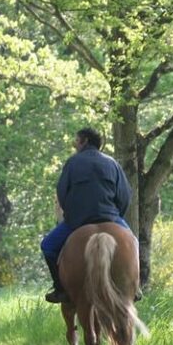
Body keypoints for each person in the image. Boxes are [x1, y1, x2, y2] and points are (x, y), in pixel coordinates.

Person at [41, 127, 133, 303]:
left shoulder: (72, 163)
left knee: (48, 246)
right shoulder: (112, 163)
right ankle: (134, 286)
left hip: (77, 221)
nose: (75, 144)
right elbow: (125, 195)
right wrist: (115, 215)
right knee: (133, 242)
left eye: (77, 141)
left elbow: (62, 192)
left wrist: (71, 214)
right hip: (111, 217)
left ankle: (60, 289)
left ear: (84, 141)